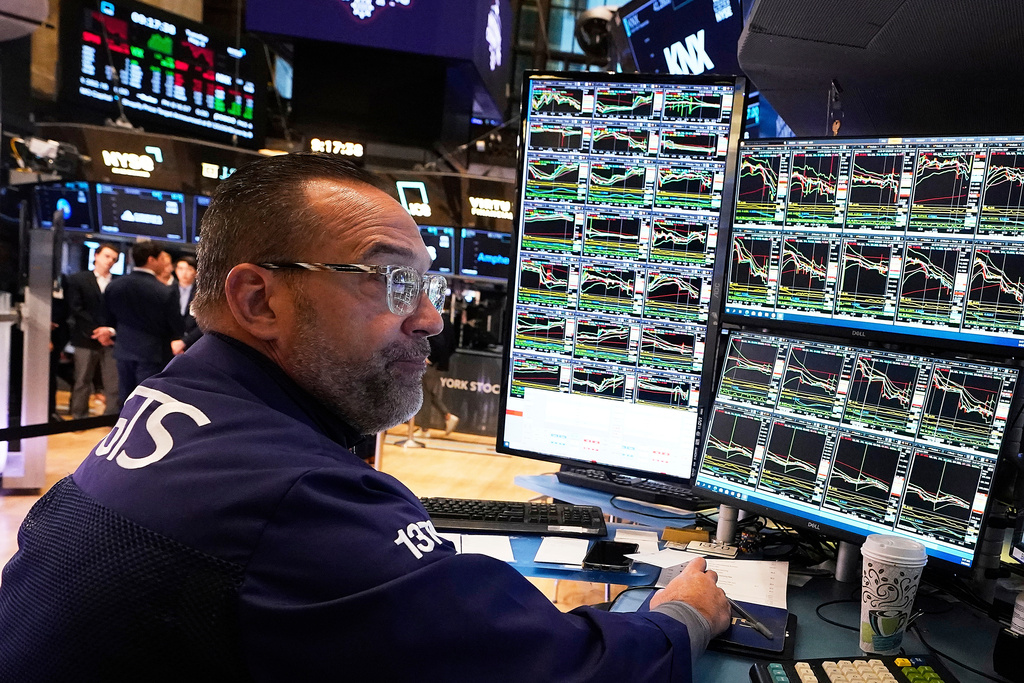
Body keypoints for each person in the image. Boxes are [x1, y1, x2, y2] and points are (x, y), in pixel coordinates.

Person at [0, 154, 729, 682]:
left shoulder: (177, 407)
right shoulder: (292, 495)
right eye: (392, 282)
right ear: (258, 301)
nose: (431, 319)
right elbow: (566, 673)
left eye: (428, 283)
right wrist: (682, 615)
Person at [103, 241, 185, 406]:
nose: (163, 262)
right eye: (161, 258)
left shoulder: (114, 286)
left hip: (123, 350)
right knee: (146, 400)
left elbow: (107, 318)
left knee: (125, 398)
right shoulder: (164, 291)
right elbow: (176, 326)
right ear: (151, 260)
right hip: (153, 353)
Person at [64, 243, 120, 419]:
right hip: (85, 336)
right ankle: (78, 415)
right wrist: (97, 331)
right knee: (82, 379)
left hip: (111, 338)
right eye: (107, 256)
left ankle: (110, 417)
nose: (110, 261)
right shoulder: (78, 279)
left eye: (114, 259)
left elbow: (121, 311)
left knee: (113, 382)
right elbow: (76, 308)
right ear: (96, 256)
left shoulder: (118, 282)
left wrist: (109, 330)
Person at [173, 254, 203, 348]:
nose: (184, 273)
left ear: (195, 272)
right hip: (170, 342)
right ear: (176, 270)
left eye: (189, 269)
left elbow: (203, 323)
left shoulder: (201, 294)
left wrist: (185, 341)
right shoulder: (168, 290)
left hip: (192, 343)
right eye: (180, 269)